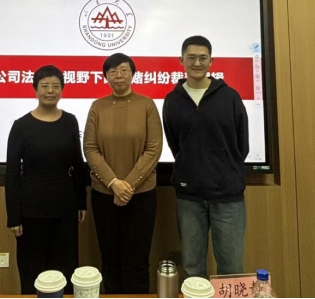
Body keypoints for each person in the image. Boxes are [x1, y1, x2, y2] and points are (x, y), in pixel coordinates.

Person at [162, 35, 249, 278]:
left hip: (228, 196)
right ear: (181, 61)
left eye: (203, 58)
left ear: (211, 61)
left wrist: (224, 171)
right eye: (191, 58)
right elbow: (175, 144)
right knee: (192, 268)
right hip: (189, 197)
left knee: (232, 269)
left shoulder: (230, 97)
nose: (197, 63)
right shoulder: (172, 100)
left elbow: (242, 145)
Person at [83, 53, 163, 294]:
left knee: (137, 260)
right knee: (110, 259)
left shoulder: (147, 105)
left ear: (133, 74)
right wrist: (113, 183)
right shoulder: (97, 106)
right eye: (112, 71)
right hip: (104, 195)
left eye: (124, 70)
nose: (118, 75)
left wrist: (126, 185)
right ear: (105, 76)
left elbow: (153, 149)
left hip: (141, 195)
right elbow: (90, 148)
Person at [5, 65, 88, 295]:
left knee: (66, 269)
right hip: (31, 211)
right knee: (33, 270)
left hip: (65, 208)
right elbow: (12, 173)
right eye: (44, 86)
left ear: (62, 90)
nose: (50, 91)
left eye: (55, 86)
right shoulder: (21, 126)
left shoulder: (70, 121)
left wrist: (81, 202)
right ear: (35, 90)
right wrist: (13, 216)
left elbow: (78, 162)